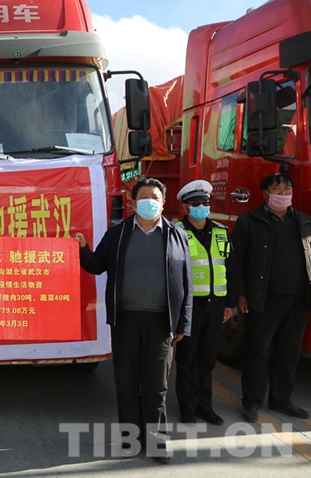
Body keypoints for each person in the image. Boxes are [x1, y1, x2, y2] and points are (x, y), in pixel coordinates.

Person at [74, 177, 192, 464]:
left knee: (156, 385)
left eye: (155, 197)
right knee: (126, 382)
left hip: (161, 322)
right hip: (125, 319)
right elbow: (97, 265)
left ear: (163, 203)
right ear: (133, 201)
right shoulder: (118, 233)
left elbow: (187, 283)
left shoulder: (177, 236)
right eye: (144, 196)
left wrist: (183, 323)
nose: (149, 201)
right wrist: (82, 249)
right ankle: (129, 440)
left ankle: (157, 442)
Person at [232, 172, 311, 423]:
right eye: (277, 189)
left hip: (298, 299)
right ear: (265, 193)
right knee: (258, 351)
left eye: (287, 190)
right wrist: (241, 294)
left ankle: (281, 400)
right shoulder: (249, 221)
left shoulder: (305, 221)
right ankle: (252, 401)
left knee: (289, 352)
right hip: (263, 297)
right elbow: (236, 261)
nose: (283, 194)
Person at [173, 180, 237, 426]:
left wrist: (229, 303)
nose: (202, 207)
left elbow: (231, 267)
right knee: (188, 358)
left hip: (216, 305)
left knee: (208, 360)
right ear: (185, 206)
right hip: (190, 306)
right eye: (196, 203)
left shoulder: (221, 231)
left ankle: (205, 407)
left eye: (205, 202)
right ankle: (188, 408)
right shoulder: (177, 232)